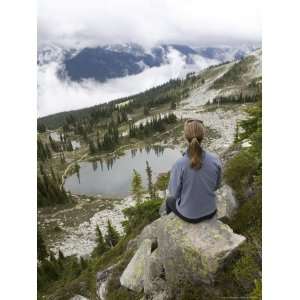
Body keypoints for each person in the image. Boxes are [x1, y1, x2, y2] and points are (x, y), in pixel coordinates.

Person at [166, 119, 222, 223]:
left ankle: (170, 222)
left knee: (169, 201)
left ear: (185, 137)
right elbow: (217, 186)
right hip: (211, 211)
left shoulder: (179, 164)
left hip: (190, 216)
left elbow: (174, 193)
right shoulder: (215, 160)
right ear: (203, 136)